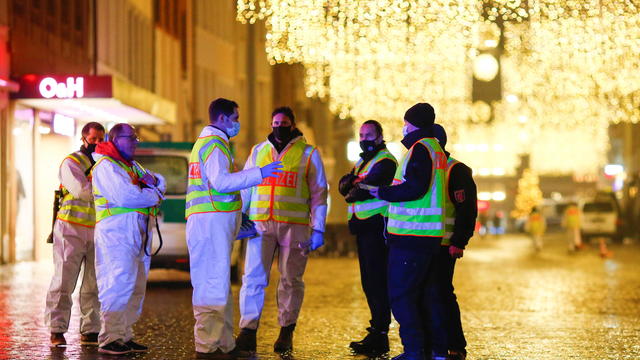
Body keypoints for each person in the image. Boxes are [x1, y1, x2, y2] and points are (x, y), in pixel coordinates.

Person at [186, 98, 282, 359]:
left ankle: (223, 343)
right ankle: (208, 347)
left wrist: (238, 222)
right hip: (211, 221)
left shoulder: (210, 144)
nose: (238, 123)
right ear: (222, 118)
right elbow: (221, 183)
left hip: (212, 221)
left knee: (218, 283)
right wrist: (259, 174)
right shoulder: (214, 145)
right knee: (213, 284)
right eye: (235, 118)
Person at [236, 106, 328, 354]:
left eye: (284, 123)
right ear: (270, 124)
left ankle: (286, 331)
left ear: (292, 124)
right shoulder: (259, 151)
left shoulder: (308, 154)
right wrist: (240, 217)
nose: (279, 127)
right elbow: (246, 185)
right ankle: (247, 332)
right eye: (275, 122)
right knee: (253, 279)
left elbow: (320, 194)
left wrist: (318, 229)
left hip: (295, 227)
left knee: (290, 280)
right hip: (260, 225)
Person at [368, 103, 448, 360]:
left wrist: (384, 192)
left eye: (406, 122)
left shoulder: (421, 149)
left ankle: (414, 351)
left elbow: (415, 188)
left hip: (413, 236)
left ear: (413, 124)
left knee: (401, 296)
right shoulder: (433, 149)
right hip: (425, 236)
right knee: (421, 296)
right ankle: (425, 349)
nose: (403, 127)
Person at [92, 123, 166, 355]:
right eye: (130, 138)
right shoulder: (106, 166)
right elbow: (129, 196)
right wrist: (153, 194)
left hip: (135, 233)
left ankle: (124, 334)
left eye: (136, 138)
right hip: (116, 233)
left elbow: (159, 181)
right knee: (117, 282)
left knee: (135, 286)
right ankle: (110, 337)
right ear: (114, 139)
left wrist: (153, 190)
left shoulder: (130, 165)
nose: (135, 142)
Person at [338, 120, 397, 356]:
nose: (364, 139)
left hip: (377, 226)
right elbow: (345, 186)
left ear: (380, 136)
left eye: (369, 134)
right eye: (361, 135)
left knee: (377, 282)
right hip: (363, 228)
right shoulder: (364, 161)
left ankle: (380, 335)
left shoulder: (385, 161)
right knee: (369, 283)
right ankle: (376, 332)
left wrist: (355, 184)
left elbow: (361, 189)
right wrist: (354, 183)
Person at [45, 122, 105, 347]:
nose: (98, 144)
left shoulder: (104, 163)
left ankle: (91, 329)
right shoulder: (72, 162)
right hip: (70, 228)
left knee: (94, 283)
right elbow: (82, 191)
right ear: (84, 139)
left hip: (96, 229)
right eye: (94, 140)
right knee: (63, 281)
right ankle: (56, 329)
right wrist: (110, 191)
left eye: (101, 139)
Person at [431, 123, 478, 360]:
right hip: (423, 244)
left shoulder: (455, 170)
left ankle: (454, 344)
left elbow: (467, 209)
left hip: (445, 244)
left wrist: (459, 241)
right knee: (427, 295)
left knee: (442, 294)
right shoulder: (424, 167)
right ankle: (434, 344)